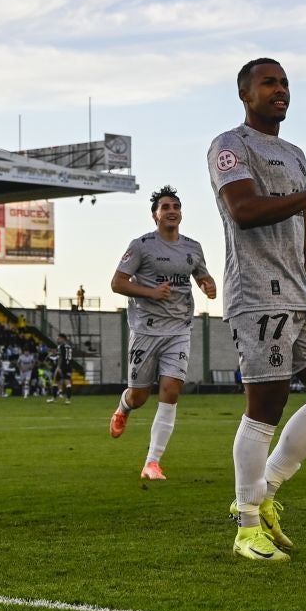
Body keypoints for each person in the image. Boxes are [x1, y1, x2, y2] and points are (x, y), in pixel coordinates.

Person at [208, 58, 306, 561]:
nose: (281, 90)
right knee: (265, 408)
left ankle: (264, 491)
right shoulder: (231, 145)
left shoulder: (295, 154)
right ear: (245, 94)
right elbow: (244, 211)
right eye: (269, 82)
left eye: (285, 83)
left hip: (302, 296)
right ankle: (247, 526)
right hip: (257, 294)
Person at [108, 186, 217, 479]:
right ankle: (123, 407)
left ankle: (152, 462)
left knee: (171, 390)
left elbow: (202, 276)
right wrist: (151, 293)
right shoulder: (141, 246)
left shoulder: (193, 247)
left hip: (179, 329)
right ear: (155, 215)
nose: (172, 211)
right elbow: (117, 283)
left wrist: (208, 285)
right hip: (146, 329)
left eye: (176, 207)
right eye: (166, 207)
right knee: (139, 396)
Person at [51, 332, 76, 404]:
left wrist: (59, 367)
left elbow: (61, 357)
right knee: (67, 382)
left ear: (63, 339)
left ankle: (54, 399)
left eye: (58, 338)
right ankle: (68, 400)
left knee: (56, 381)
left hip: (62, 365)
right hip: (69, 365)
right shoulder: (69, 346)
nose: (57, 339)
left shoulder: (60, 346)